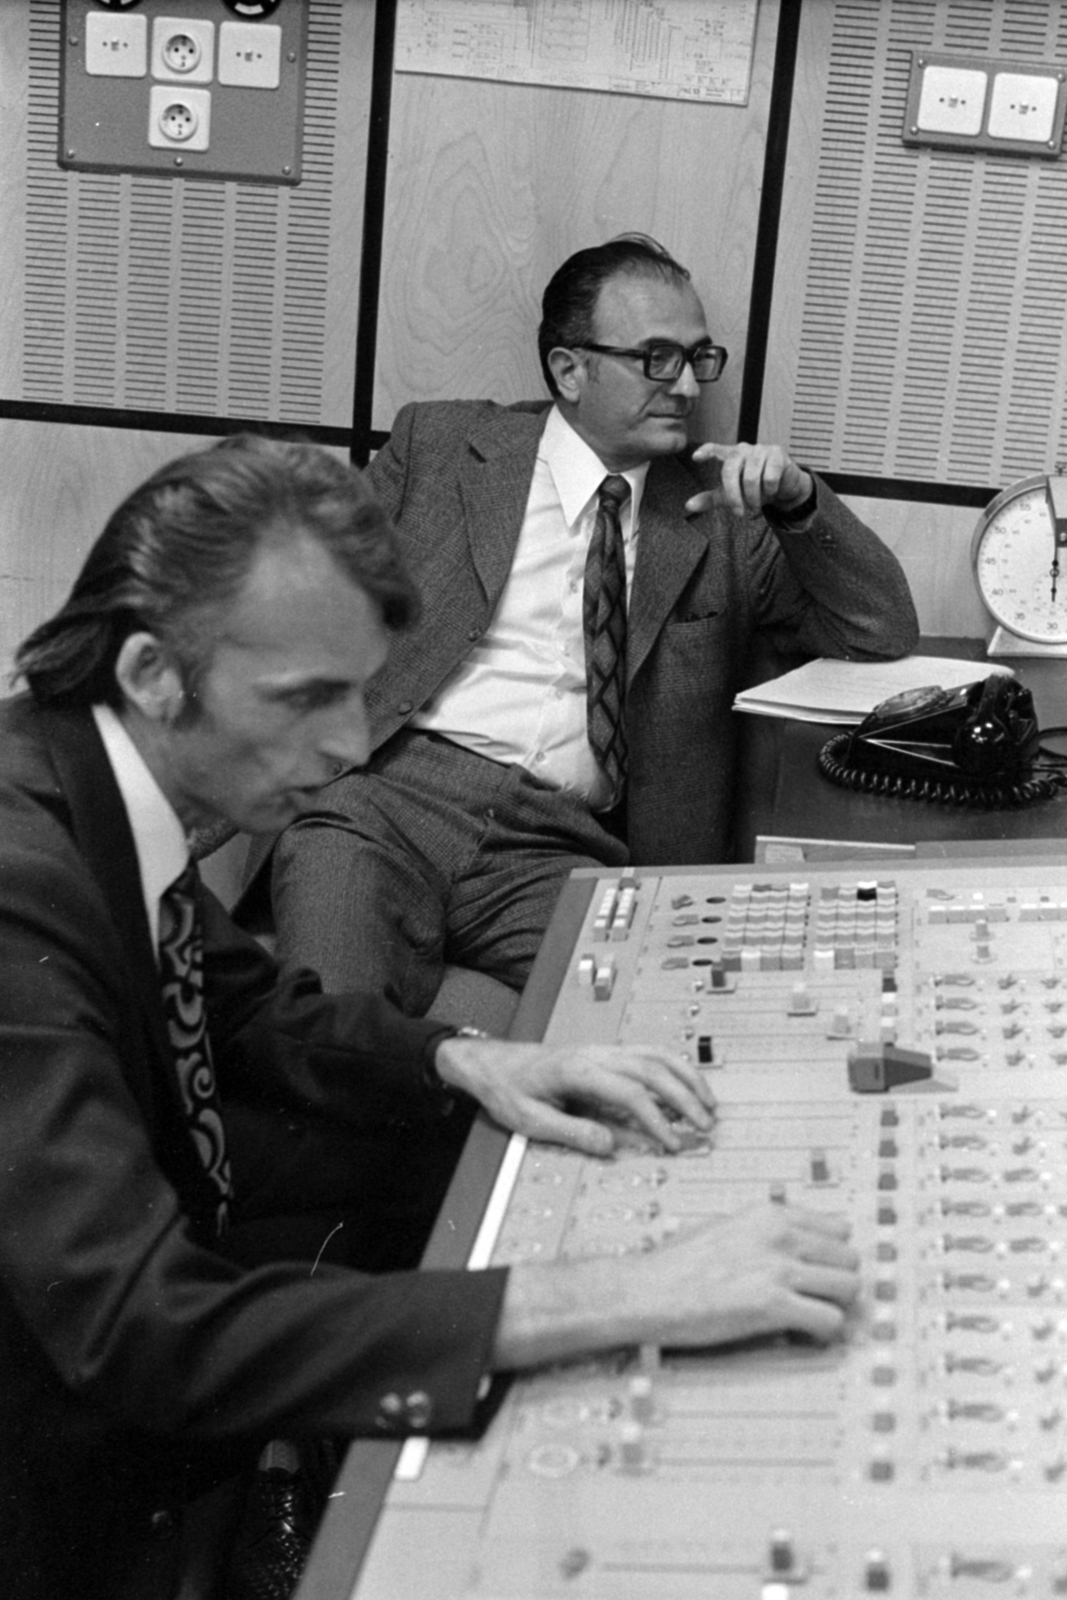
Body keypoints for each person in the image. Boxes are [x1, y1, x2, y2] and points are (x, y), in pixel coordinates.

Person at [0, 435, 860, 1600]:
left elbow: (244, 1007)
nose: (351, 745)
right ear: (154, 672)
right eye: (306, 698)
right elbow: (142, 1330)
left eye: (358, 691)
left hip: (133, 1321)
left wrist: (471, 1059)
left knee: (442, 1149)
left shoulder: (96, 779)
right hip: (47, 1476)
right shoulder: (19, 882)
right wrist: (616, 1294)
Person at [255, 234, 919, 1017]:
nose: (684, 386)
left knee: (666, 1022)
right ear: (569, 370)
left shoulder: (724, 517)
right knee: (327, 1028)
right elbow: (305, 602)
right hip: (389, 801)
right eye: (656, 358)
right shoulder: (441, 446)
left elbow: (877, 630)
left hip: (562, 847)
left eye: (697, 359)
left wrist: (801, 501)